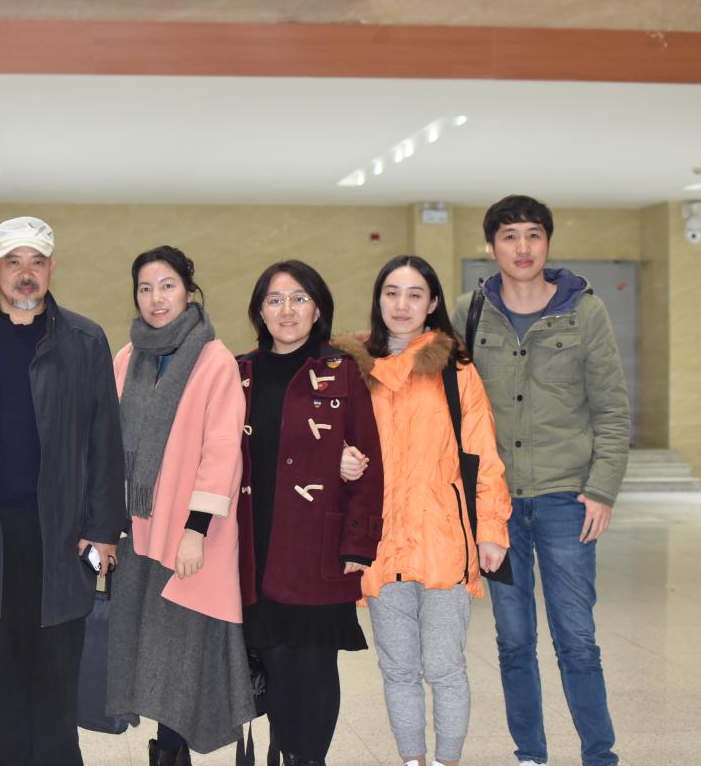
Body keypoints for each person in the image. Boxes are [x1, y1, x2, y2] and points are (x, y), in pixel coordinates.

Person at [0, 216, 126, 766]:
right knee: (1, 673)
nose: (26, 274)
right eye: (14, 262)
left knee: (58, 673)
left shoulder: (84, 341)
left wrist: (104, 529)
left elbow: (105, 442)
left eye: (36, 262)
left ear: (52, 267)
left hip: (63, 535)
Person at [452, 195, 630, 766]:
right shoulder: (468, 313)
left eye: (533, 234)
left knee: (576, 639)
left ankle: (599, 755)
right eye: (509, 236)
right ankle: (530, 753)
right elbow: (437, 397)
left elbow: (612, 409)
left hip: (564, 499)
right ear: (491, 247)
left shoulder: (586, 312)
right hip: (497, 506)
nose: (522, 247)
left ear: (548, 242)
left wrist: (601, 490)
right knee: (513, 641)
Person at [339, 255, 511, 766]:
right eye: (392, 293)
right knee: (397, 669)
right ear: (378, 300)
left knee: (444, 667)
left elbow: (482, 454)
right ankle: (412, 760)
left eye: (415, 294)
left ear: (433, 302)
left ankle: (447, 760)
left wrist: (492, 529)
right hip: (378, 540)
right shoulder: (353, 370)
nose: (402, 305)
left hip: (444, 540)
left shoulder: (456, 370)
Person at [104, 245, 253, 764]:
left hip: (188, 535)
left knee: (178, 658)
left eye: (167, 286)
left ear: (189, 291)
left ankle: (170, 751)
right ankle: (166, 752)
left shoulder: (214, 361)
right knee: (143, 653)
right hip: (136, 532)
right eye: (145, 288)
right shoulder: (127, 358)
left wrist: (196, 529)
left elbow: (222, 450)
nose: (156, 298)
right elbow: (107, 443)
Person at [236, 260, 385, 766]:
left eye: (299, 298)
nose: (287, 310)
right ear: (259, 310)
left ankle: (308, 758)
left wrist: (359, 542)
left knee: (314, 672)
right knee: (271, 666)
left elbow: (368, 465)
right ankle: (283, 751)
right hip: (252, 551)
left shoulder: (342, 374)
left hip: (317, 549)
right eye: (275, 299)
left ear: (317, 309)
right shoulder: (240, 373)